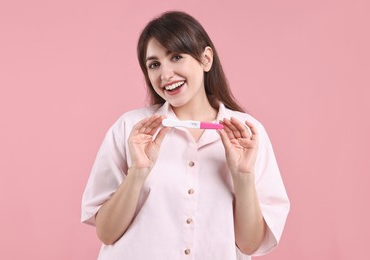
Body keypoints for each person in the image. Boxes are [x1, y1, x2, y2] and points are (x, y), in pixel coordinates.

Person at [81, 11, 290, 260]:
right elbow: (106, 233)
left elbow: (249, 245)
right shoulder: (130, 128)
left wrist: (243, 176)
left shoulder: (247, 134)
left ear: (206, 59)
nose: (166, 74)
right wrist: (137, 173)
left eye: (176, 57)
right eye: (154, 64)